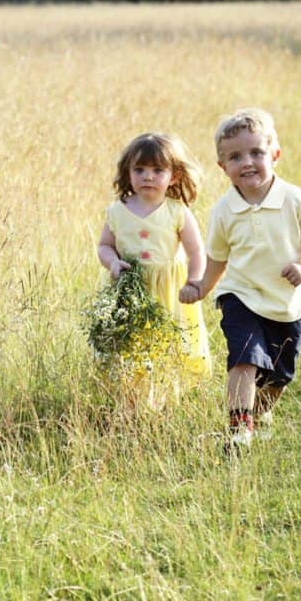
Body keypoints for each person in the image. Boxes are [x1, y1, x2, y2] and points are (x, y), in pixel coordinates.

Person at [196, 108, 301, 452]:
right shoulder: (223, 211)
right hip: (240, 295)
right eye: (235, 157)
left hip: (287, 303)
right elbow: (218, 259)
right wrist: (201, 287)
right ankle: (239, 431)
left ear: (275, 154)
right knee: (244, 357)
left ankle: (261, 411)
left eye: (256, 152)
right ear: (222, 167)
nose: (247, 162)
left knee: (279, 375)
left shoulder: (295, 199)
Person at [97, 132, 212, 409]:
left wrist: (194, 282)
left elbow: (197, 252)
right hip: (131, 288)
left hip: (169, 291)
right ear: (128, 172)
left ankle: (164, 398)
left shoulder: (177, 212)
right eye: (140, 170)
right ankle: (132, 400)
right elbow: (104, 246)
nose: (148, 176)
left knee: (166, 340)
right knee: (132, 342)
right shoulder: (117, 211)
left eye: (158, 170)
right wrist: (113, 263)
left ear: (173, 176)